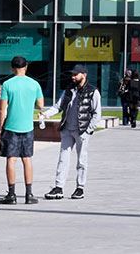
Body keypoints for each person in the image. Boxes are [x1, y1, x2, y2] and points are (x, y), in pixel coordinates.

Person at [40, 64, 101, 201]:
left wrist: (88, 131)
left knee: (81, 160)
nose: (73, 77)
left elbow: (97, 114)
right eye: (72, 75)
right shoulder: (68, 90)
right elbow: (59, 106)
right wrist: (46, 115)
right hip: (67, 129)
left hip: (82, 130)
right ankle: (59, 187)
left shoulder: (93, 92)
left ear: (84, 75)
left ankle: (80, 188)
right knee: (63, 158)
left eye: (76, 74)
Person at [0, 56, 44, 205]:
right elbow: (41, 105)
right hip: (28, 126)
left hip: (11, 126)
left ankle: (11, 194)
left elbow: (2, 108)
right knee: (27, 159)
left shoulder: (7, 84)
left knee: (11, 159)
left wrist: (0, 126)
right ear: (26, 67)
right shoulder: (34, 84)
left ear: (12, 68)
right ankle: (29, 194)